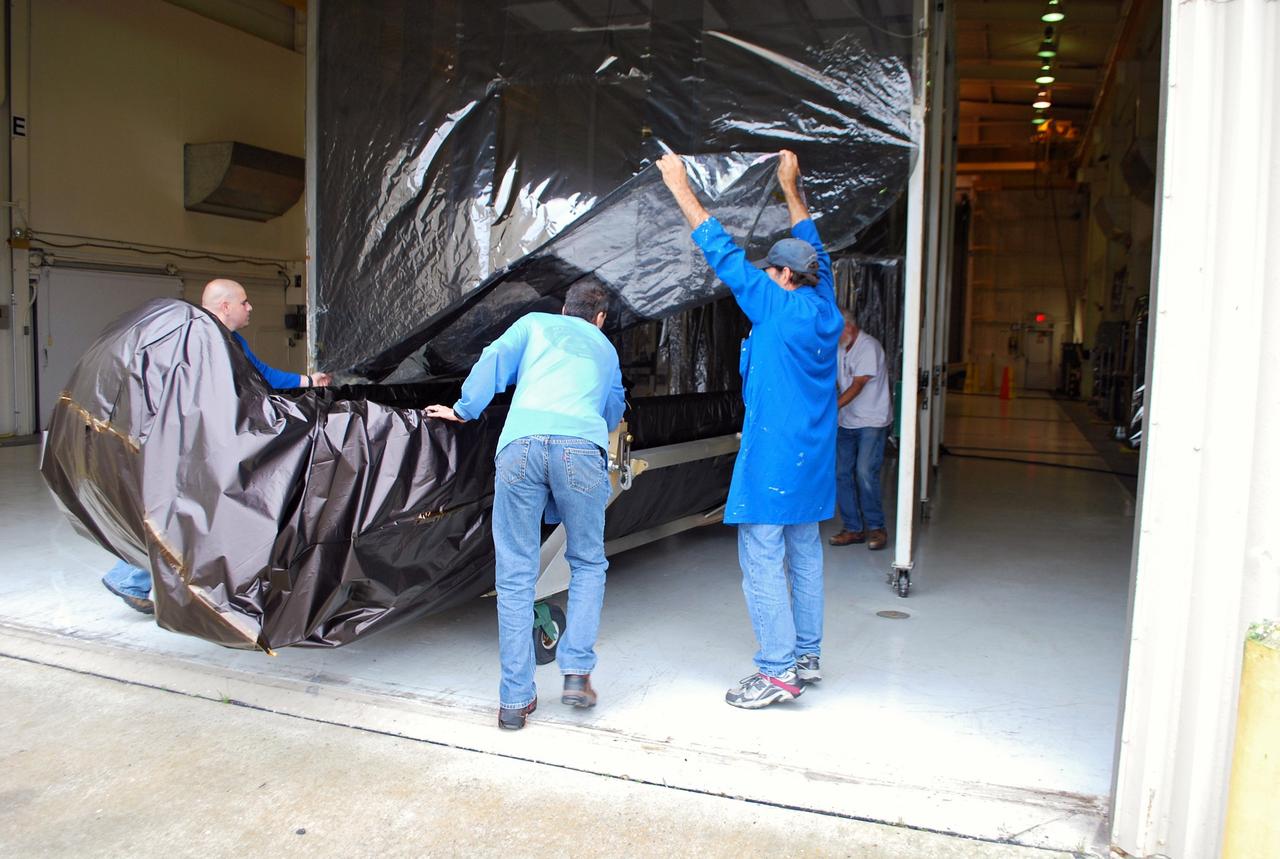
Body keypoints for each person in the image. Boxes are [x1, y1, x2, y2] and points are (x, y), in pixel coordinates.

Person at [657, 150, 842, 710]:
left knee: (761, 552)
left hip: (774, 456)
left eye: (770, 271)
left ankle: (778, 670)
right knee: (805, 550)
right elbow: (817, 245)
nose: (761, 275)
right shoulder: (826, 304)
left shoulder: (774, 305)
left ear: (784, 276)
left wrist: (679, 185)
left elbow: (718, 247)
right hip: (814, 457)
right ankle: (806, 654)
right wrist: (791, 186)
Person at [425, 280, 626, 731]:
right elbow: (613, 408)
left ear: (563, 309)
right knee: (588, 562)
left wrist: (464, 409)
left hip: (520, 446)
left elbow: (493, 359)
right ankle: (575, 672)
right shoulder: (605, 348)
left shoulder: (535, 324)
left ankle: (515, 701)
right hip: (580, 450)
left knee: (515, 573)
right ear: (599, 318)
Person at [101, 278, 332, 614]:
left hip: (193, 440)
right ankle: (131, 577)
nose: (250, 307)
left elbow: (258, 374)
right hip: (194, 443)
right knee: (185, 512)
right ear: (226, 307)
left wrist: (306, 381)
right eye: (244, 302)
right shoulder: (205, 338)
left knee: (186, 511)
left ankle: (136, 578)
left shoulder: (221, 337)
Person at [829, 309, 893, 550]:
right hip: (847, 421)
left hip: (871, 421)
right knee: (841, 473)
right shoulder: (838, 348)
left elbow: (857, 385)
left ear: (848, 327)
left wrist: (832, 408)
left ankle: (877, 528)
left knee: (864, 472)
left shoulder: (869, 347)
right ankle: (853, 528)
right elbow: (833, 379)